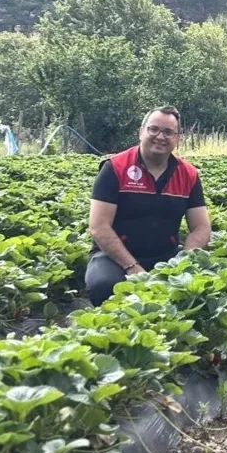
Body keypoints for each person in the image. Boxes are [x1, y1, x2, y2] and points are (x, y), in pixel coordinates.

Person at [86, 106, 211, 305]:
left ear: (177, 139)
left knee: (205, 288)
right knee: (105, 286)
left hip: (166, 256)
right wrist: (131, 267)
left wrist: (184, 262)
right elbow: (98, 226)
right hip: (114, 258)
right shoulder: (115, 168)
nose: (160, 136)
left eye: (169, 132)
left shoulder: (188, 174)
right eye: (154, 129)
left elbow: (201, 227)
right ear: (141, 131)